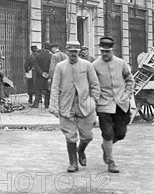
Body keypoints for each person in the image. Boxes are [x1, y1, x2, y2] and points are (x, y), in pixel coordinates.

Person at [49, 41, 101, 172]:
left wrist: (93, 100)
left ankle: (81, 151)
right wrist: (54, 106)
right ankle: (73, 162)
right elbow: (55, 87)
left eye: (76, 51)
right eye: (71, 51)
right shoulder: (60, 66)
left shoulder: (87, 65)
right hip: (67, 104)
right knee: (70, 135)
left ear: (79, 52)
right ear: (66, 51)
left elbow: (95, 85)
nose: (73, 54)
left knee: (88, 136)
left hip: (85, 104)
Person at [92, 36, 134, 173]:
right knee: (108, 133)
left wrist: (127, 94)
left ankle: (106, 147)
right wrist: (95, 100)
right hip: (104, 104)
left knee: (121, 134)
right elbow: (92, 85)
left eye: (107, 51)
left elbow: (129, 80)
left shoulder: (121, 63)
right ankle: (110, 161)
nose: (104, 54)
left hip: (121, 104)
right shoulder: (95, 66)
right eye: (102, 51)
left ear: (112, 50)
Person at [31, 43, 52, 108]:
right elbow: (52, 66)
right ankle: (46, 105)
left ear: (43, 47)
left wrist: (41, 73)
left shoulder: (38, 55)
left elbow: (36, 66)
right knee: (47, 91)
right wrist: (48, 74)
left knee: (38, 90)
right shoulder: (51, 56)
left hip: (40, 75)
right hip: (48, 75)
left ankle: (36, 103)